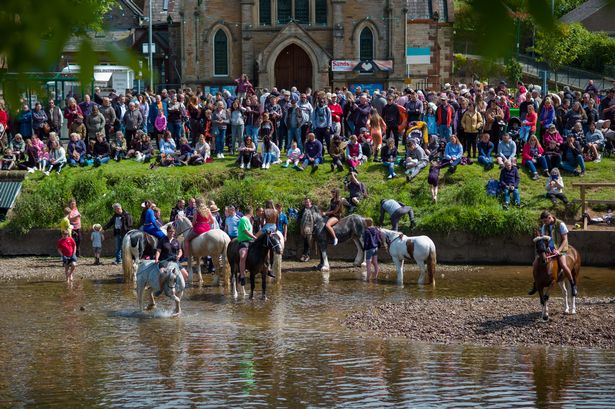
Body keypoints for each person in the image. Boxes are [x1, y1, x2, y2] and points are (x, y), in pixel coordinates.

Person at [529, 210, 577, 296]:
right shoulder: (545, 226)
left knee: (563, 264)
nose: (544, 223)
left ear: (550, 217)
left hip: (561, 248)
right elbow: (544, 239)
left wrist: (558, 250)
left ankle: (573, 285)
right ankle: (535, 284)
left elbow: (565, 239)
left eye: (545, 221)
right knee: (536, 262)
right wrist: (546, 248)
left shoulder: (560, 224)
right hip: (549, 249)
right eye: (543, 221)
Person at [237, 206, 257, 286]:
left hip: (251, 241)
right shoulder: (243, 219)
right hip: (244, 241)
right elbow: (245, 231)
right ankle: (242, 276)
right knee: (242, 256)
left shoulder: (249, 220)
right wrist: (254, 237)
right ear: (251, 213)